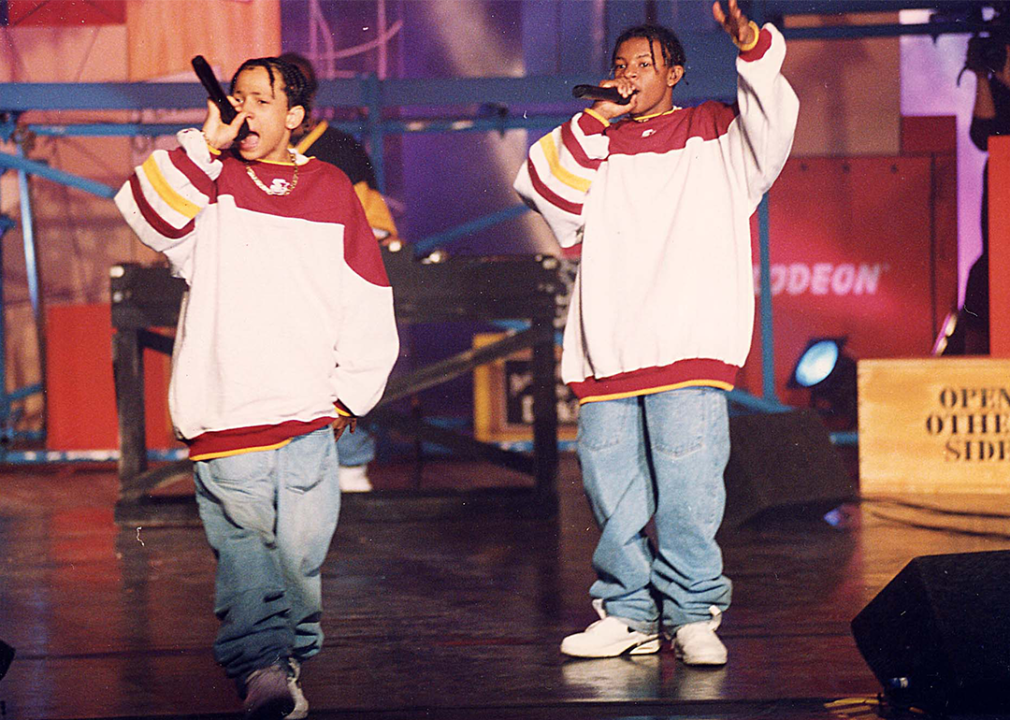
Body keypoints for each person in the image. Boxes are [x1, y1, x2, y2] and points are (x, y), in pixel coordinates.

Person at [514, 0, 798, 664]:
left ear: (674, 71)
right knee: (611, 491)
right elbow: (539, 186)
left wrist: (753, 48)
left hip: (689, 338)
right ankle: (629, 612)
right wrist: (597, 115)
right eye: (619, 65)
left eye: (644, 63)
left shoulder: (717, 132)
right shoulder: (595, 140)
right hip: (609, 340)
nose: (629, 73)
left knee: (690, 488)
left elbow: (775, 124)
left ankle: (693, 612)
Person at [114, 57, 399, 718]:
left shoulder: (332, 186)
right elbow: (144, 210)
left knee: (300, 559)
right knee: (248, 549)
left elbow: (366, 294)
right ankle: (262, 667)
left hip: (305, 412)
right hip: (228, 412)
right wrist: (203, 145)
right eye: (235, 98)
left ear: (295, 115)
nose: (244, 110)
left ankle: (284, 659)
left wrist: (353, 392)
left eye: (260, 100)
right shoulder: (206, 183)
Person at [278, 51, 401, 492]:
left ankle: (351, 465)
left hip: (327, 293)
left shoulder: (341, 149)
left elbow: (377, 227)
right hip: (276, 295)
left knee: (332, 375)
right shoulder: (248, 151)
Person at [958, 28, 1010, 354]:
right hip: (1002, 183)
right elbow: (983, 136)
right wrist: (981, 76)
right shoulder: (998, 85)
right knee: (988, 271)